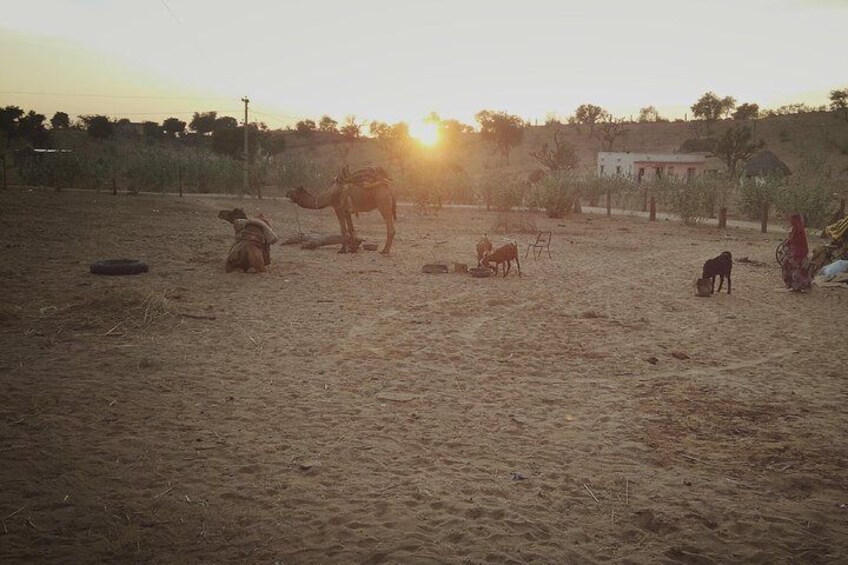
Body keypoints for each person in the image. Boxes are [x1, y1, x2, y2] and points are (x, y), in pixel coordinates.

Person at [781, 213, 812, 292]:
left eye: (791, 220)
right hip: (796, 252)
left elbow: (795, 241)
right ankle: (796, 286)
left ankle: (798, 286)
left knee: (796, 269)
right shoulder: (795, 229)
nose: (790, 221)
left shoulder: (799, 230)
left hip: (799, 252)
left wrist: (789, 241)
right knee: (793, 267)